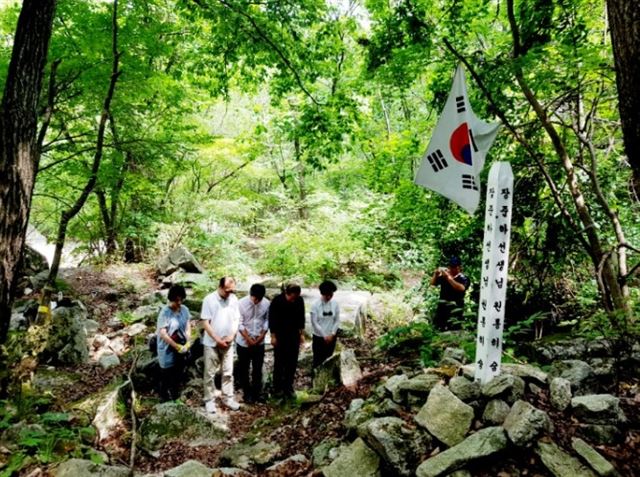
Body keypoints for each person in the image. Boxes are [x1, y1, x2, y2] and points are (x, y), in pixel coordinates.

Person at [201, 277, 241, 413]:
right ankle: (209, 400)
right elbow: (205, 322)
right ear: (220, 287)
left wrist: (232, 335)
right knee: (210, 373)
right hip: (212, 343)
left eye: (232, 291)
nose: (229, 293)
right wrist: (217, 339)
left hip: (229, 342)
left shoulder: (234, 299)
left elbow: (236, 319)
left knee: (228, 371)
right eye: (227, 291)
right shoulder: (209, 300)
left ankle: (228, 397)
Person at [269, 284, 305, 400]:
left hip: (294, 335)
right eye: (292, 297)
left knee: (292, 362)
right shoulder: (277, 300)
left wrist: (302, 334)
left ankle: (288, 386)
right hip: (280, 336)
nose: (294, 300)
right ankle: (277, 387)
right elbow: (272, 319)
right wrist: (273, 336)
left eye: (296, 297)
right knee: (279, 362)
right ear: (287, 293)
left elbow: (301, 318)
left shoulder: (299, 300)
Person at [156, 284, 192, 402]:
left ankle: (175, 396)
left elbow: (187, 327)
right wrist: (175, 346)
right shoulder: (165, 313)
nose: (179, 303)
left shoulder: (185, 310)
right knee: (166, 373)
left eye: (181, 300)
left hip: (181, 345)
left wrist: (188, 341)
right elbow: (163, 333)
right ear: (171, 299)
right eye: (177, 300)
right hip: (167, 347)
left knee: (178, 372)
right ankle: (164, 398)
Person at [235, 283, 270, 403]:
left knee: (257, 368)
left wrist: (261, 337)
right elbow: (239, 323)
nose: (256, 301)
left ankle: (256, 393)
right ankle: (247, 393)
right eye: (254, 298)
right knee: (244, 369)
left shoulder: (266, 303)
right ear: (251, 295)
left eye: (259, 299)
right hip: (244, 342)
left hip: (259, 341)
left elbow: (267, 320)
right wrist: (248, 339)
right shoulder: (241, 303)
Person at [430, 256, 470, 331]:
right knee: (438, 329)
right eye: (451, 266)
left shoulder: (464, 278)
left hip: (455, 309)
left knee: (454, 330)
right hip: (442, 308)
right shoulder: (444, 276)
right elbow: (433, 283)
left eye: (454, 267)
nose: (452, 269)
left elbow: (461, 288)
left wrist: (449, 277)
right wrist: (436, 274)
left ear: (459, 267)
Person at [310, 280, 340, 370]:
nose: (329, 297)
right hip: (319, 337)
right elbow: (314, 322)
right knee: (318, 359)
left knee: (328, 358)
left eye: (331, 295)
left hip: (331, 336)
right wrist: (324, 336)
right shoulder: (315, 305)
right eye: (327, 295)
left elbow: (337, 320)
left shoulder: (335, 304)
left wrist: (332, 333)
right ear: (322, 294)